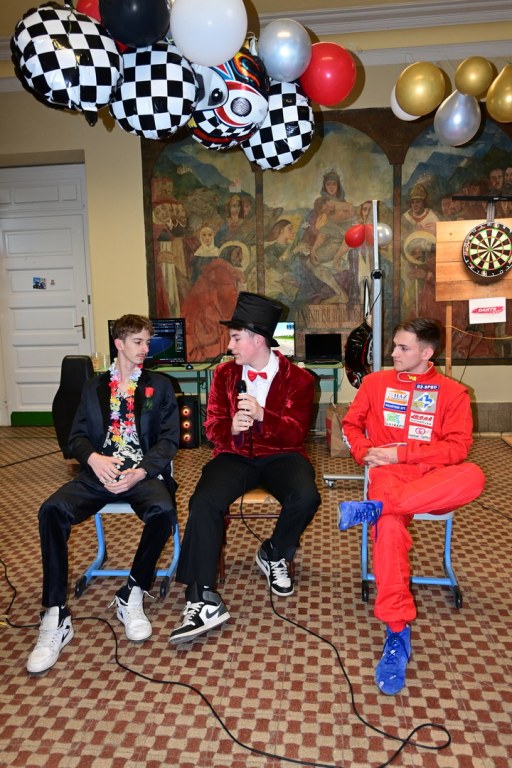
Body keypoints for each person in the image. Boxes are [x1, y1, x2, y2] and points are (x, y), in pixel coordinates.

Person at [339, 318, 485, 695]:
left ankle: (375, 508)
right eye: (394, 346)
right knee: (389, 528)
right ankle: (397, 632)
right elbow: (350, 425)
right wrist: (365, 452)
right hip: (388, 477)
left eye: (403, 348)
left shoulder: (453, 393)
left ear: (426, 352)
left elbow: (457, 448)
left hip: (433, 481)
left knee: (473, 476)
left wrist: (402, 452)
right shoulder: (375, 384)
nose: (393, 353)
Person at [27, 315, 180, 674]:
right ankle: (55, 614)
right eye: (139, 342)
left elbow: (169, 439)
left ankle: (132, 592)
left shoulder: (160, 385)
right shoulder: (93, 388)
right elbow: (77, 437)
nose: (146, 349)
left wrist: (141, 471)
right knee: (52, 510)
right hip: (99, 473)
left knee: (162, 511)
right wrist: (94, 460)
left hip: (141, 472)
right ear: (119, 344)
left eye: (147, 342)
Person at [170, 292, 321, 643]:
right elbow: (212, 428)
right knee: (203, 501)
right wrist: (231, 429)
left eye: (236, 338)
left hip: (282, 455)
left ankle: (274, 552)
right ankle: (201, 596)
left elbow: (296, 433)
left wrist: (263, 416)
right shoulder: (224, 374)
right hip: (234, 455)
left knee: (306, 497)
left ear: (258, 339)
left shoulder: (299, 379)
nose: (230, 345)